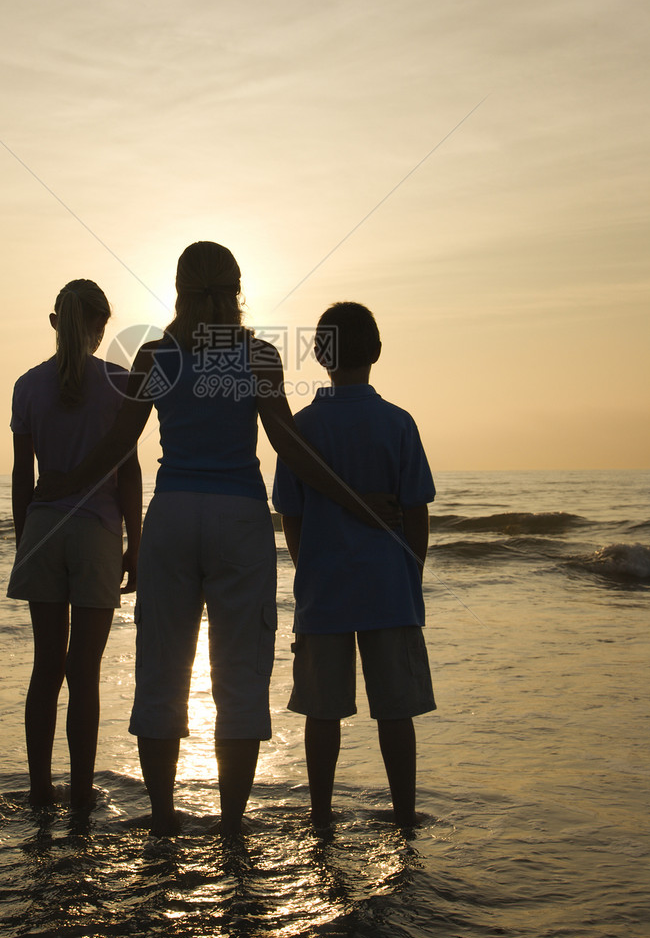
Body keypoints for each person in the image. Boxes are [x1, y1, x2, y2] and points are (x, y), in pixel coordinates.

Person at [36, 243, 397, 837]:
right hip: (238, 519)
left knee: (161, 673)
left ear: (178, 289)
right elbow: (290, 447)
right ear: (236, 290)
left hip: (173, 517)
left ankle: (162, 823)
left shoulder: (156, 355)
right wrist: (358, 500)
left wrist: (67, 482)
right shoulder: (257, 356)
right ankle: (231, 827)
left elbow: (117, 447)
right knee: (238, 678)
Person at [272, 301, 436, 829]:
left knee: (322, 713)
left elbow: (290, 517)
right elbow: (416, 513)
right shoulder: (398, 423)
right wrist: (412, 573)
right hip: (390, 588)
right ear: (377, 352)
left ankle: (321, 817)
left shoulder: (301, 429)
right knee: (396, 712)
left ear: (321, 355)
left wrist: (308, 570)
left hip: (325, 589)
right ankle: (404, 814)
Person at [9, 278, 142, 810]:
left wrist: (26, 541)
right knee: (83, 671)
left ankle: (41, 790)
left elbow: (23, 475)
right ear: (99, 327)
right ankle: (81, 792)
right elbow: (128, 471)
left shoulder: (27, 385)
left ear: (56, 322)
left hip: (45, 529)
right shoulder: (120, 382)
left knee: (47, 666)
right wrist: (137, 540)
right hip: (97, 533)